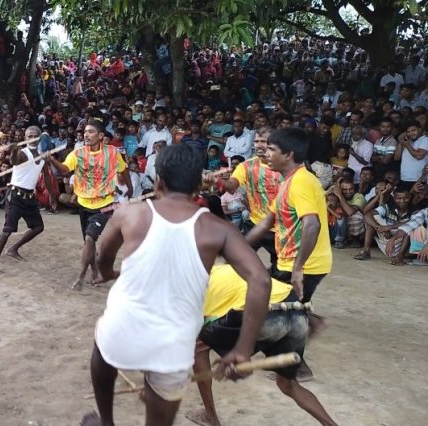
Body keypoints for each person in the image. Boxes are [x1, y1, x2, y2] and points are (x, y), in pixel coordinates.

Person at [83, 143, 271, 426]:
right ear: (198, 185)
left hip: (122, 330)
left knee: (103, 349)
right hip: (173, 345)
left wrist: (108, 272)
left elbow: (102, 256)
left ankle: (106, 422)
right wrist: (243, 349)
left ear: (158, 181)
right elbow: (261, 280)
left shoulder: (130, 213)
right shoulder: (218, 228)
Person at [188, 264, 339, 426]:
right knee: (288, 384)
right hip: (294, 307)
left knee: (197, 347)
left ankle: (210, 417)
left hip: (261, 312)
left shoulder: (184, 289)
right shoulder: (221, 268)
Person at [246, 127, 333, 381]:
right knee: (285, 310)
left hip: (306, 264)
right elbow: (265, 223)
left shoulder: (302, 182)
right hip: (291, 260)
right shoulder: (288, 182)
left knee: (282, 313)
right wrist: (237, 246)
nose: (266, 152)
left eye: (272, 149)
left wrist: (298, 268)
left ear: (289, 154)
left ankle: (297, 367)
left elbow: (313, 224)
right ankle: (308, 323)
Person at [46, 119, 132, 290]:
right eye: (85, 131)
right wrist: (51, 161)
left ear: (101, 136)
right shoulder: (77, 154)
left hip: (104, 205)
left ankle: (81, 277)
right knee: (88, 242)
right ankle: (94, 272)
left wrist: (129, 187)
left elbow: (123, 169)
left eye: (91, 131)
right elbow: (64, 169)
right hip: (83, 203)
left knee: (89, 239)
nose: (86, 134)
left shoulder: (112, 153)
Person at [0, 126, 51, 274]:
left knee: (38, 227)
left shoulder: (43, 156)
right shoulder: (22, 153)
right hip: (16, 196)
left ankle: (13, 249)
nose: (32, 138)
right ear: (25, 138)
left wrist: (52, 196)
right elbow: (14, 161)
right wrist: (12, 150)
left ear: (39, 138)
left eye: (35, 135)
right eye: (29, 136)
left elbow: (47, 176)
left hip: (30, 196)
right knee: (7, 230)